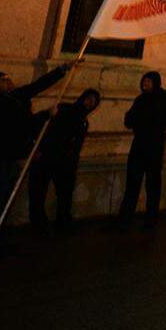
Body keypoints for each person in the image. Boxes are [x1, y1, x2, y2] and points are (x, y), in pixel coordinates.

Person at [0, 60, 78, 259]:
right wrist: (46, 114)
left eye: (8, 77)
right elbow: (19, 125)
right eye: (3, 79)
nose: (9, 81)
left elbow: (36, 86)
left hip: (10, 159)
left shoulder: (13, 98)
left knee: (2, 204)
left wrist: (62, 70)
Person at [28, 88, 101, 230]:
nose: (90, 102)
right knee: (38, 193)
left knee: (65, 193)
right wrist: (36, 147)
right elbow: (40, 124)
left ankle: (63, 221)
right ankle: (39, 224)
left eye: (94, 101)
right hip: (47, 156)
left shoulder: (84, 122)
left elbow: (76, 145)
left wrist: (72, 161)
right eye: (88, 98)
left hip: (65, 163)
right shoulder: (64, 109)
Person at [116, 71, 166, 229]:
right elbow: (129, 120)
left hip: (154, 145)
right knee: (132, 184)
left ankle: (150, 220)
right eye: (144, 81)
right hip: (139, 144)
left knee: (152, 185)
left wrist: (145, 122)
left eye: (148, 81)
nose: (145, 84)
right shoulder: (140, 99)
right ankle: (124, 219)